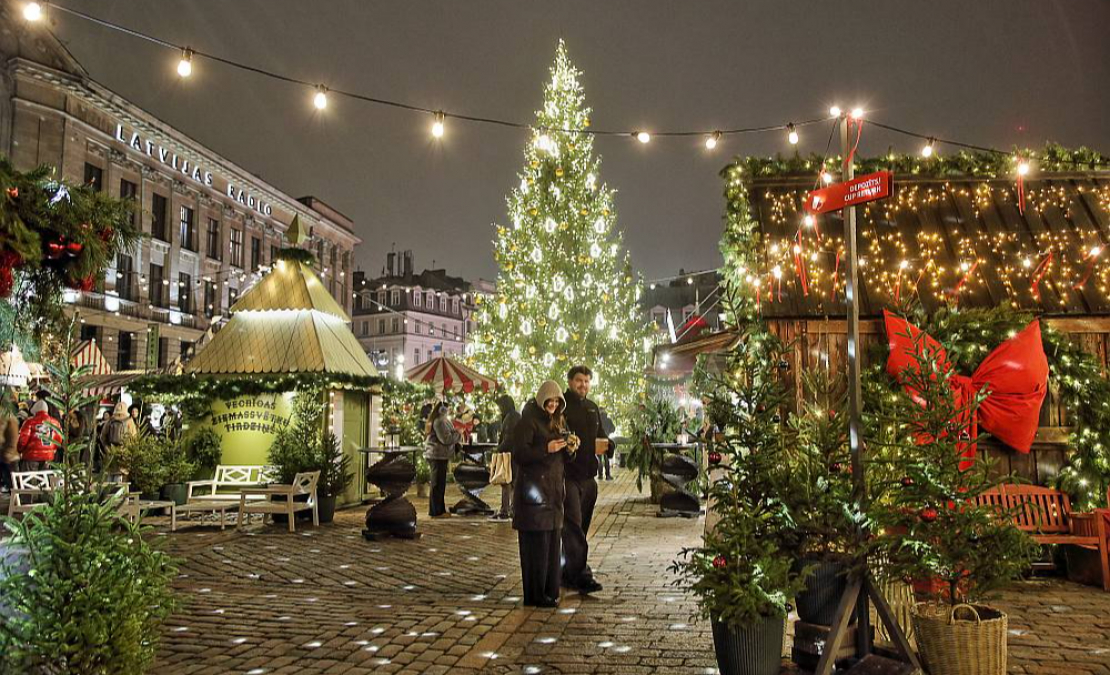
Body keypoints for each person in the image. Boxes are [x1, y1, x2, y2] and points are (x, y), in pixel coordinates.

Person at [512, 380, 570, 608]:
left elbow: (561, 458)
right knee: (536, 546)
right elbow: (520, 454)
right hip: (534, 494)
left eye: (557, 401)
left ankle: (550, 590)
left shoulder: (557, 421)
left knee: (552, 545)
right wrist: (546, 449)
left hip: (554, 493)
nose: (553, 405)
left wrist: (570, 448)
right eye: (550, 401)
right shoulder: (527, 421)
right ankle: (536, 595)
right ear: (541, 400)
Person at [561, 365, 611, 594]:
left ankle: (566, 572)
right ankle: (582, 576)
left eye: (587, 381)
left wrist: (609, 445)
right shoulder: (561, 406)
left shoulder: (592, 408)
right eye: (579, 381)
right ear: (570, 382)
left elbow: (600, 435)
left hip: (589, 476)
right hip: (568, 475)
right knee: (572, 527)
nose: (584, 385)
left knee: (580, 527)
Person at [423, 402, 460, 517]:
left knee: (440, 484)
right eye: (447, 407)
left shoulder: (443, 420)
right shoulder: (439, 421)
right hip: (437, 455)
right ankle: (436, 511)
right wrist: (458, 434)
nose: (449, 410)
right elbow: (446, 439)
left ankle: (440, 510)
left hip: (440, 455)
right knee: (437, 484)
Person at [490, 394, 521, 521]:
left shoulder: (511, 418)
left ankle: (506, 509)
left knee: (507, 481)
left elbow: (508, 439)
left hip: (510, 455)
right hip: (515, 454)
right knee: (512, 482)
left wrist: (497, 450)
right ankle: (512, 508)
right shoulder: (515, 416)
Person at [17, 400, 62, 471]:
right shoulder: (55, 423)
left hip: (31, 456)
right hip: (48, 457)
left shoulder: (29, 422)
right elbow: (59, 440)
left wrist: (19, 450)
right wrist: (52, 449)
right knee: (44, 480)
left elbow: (23, 440)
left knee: (29, 480)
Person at [1, 392, 20, 492]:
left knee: (12, 483)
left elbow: (10, 438)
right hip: (9, 455)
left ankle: (17, 503)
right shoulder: (9, 417)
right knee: (12, 483)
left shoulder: (7, 417)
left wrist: (8, 452)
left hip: (8, 456)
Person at [596, 407, 616, 481]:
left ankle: (600, 475)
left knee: (599, 459)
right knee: (606, 458)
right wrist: (608, 432)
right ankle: (607, 475)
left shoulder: (597, 419)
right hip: (606, 439)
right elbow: (613, 429)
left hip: (598, 440)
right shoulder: (608, 420)